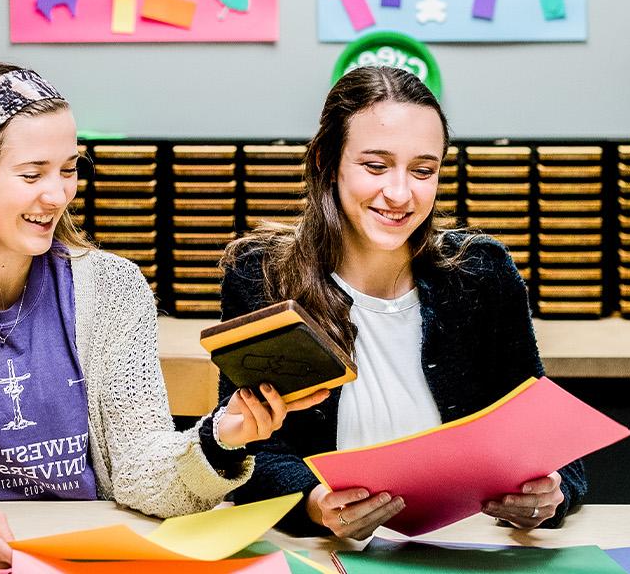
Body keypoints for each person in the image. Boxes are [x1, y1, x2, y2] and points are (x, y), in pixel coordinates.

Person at [0, 61, 326, 570]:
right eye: (31, 174)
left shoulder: (113, 288)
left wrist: (220, 440)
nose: (58, 194)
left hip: (91, 556)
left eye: (68, 169)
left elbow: (143, 472)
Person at [203, 66, 587, 539]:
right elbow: (249, 452)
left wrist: (552, 494)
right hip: (330, 558)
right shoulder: (261, 275)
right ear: (327, 160)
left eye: (423, 170)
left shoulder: (482, 273)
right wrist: (316, 503)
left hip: (464, 555)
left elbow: (552, 443)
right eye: (375, 166)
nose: (400, 193)